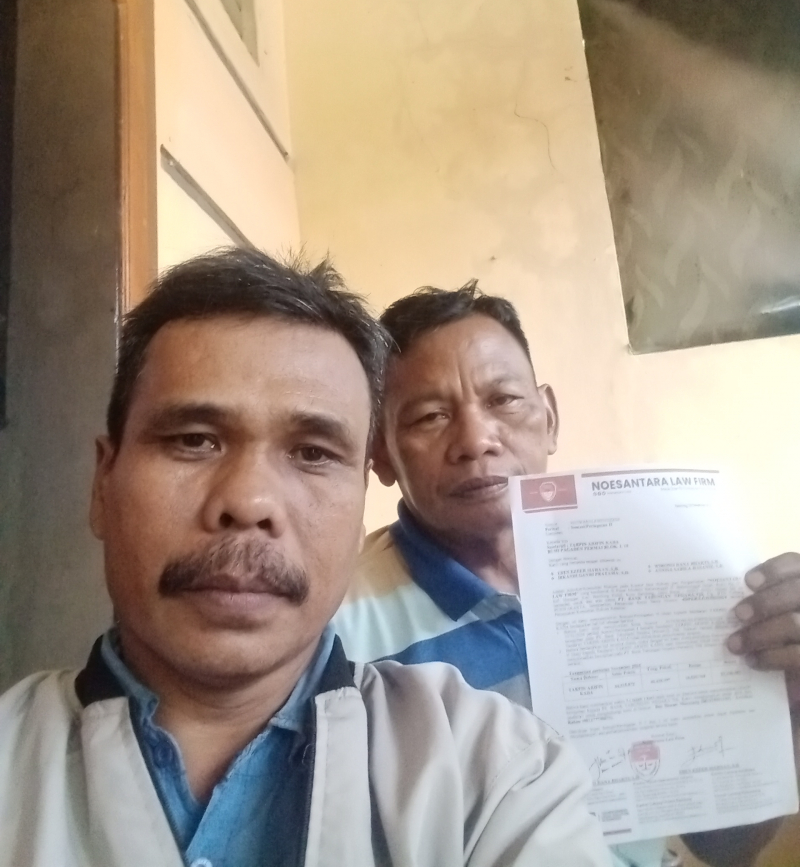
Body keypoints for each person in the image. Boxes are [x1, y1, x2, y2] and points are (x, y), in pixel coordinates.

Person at [0, 249, 613, 867]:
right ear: (103, 485)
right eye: (194, 440)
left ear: (362, 500)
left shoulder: (499, 772)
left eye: (313, 453)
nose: (249, 501)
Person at [333, 281, 800, 867]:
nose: (476, 440)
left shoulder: (653, 582)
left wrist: (784, 710)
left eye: (504, 400)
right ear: (380, 452)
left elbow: (725, 845)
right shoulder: (338, 642)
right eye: (430, 416)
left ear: (549, 418)